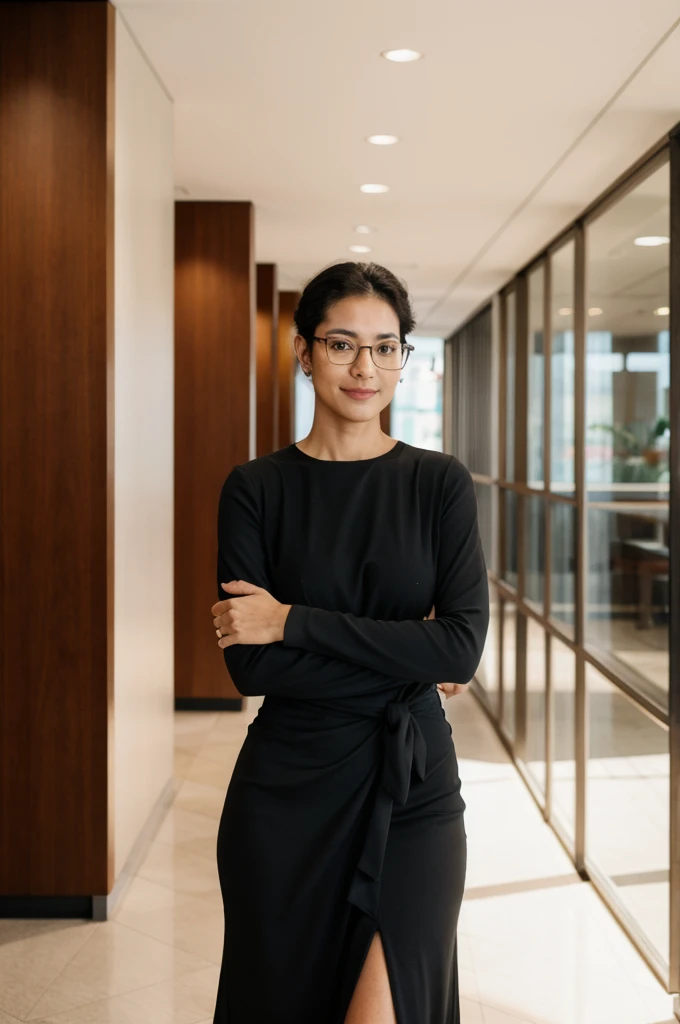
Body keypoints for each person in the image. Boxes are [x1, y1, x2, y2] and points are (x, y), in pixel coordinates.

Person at [210, 261, 490, 1024]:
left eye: (386, 346)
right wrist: (408, 655)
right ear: (304, 352)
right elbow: (250, 665)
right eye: (342, 344)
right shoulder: (256, 488)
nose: (365, 368)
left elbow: (460, 650)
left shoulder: (440, 484)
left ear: (404, 355)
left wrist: (294, 621)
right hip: (287, 795)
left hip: (416, 789)